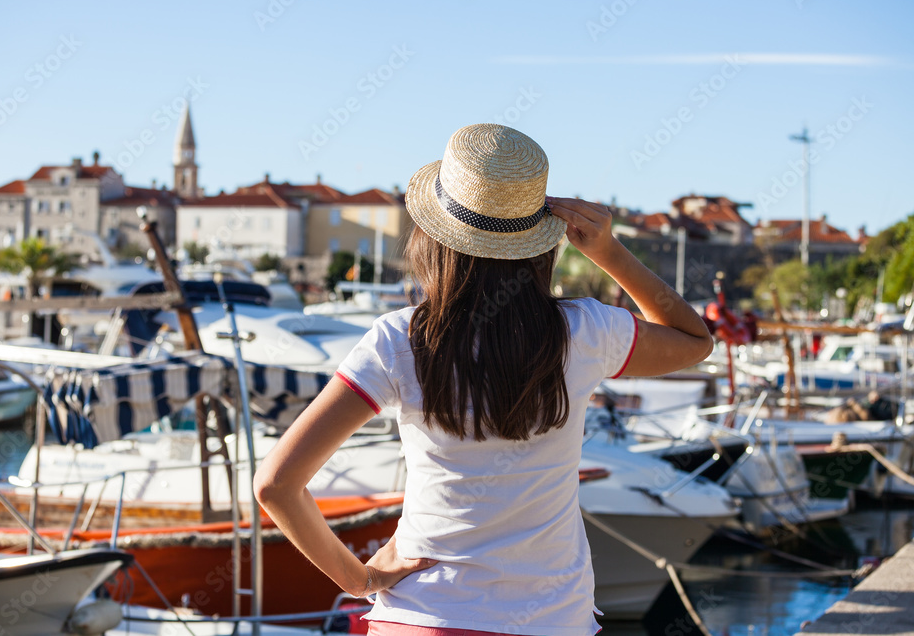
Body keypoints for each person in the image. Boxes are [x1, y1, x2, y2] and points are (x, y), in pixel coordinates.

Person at [254, 124, 714, 635]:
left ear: (434, 236)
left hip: (422, 615)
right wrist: (609, 253)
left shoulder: (398, 339)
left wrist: (359, 579)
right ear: (540, 244)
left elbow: (276, 484)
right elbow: (694, 339)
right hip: (550, 621)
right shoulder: (586, 332)